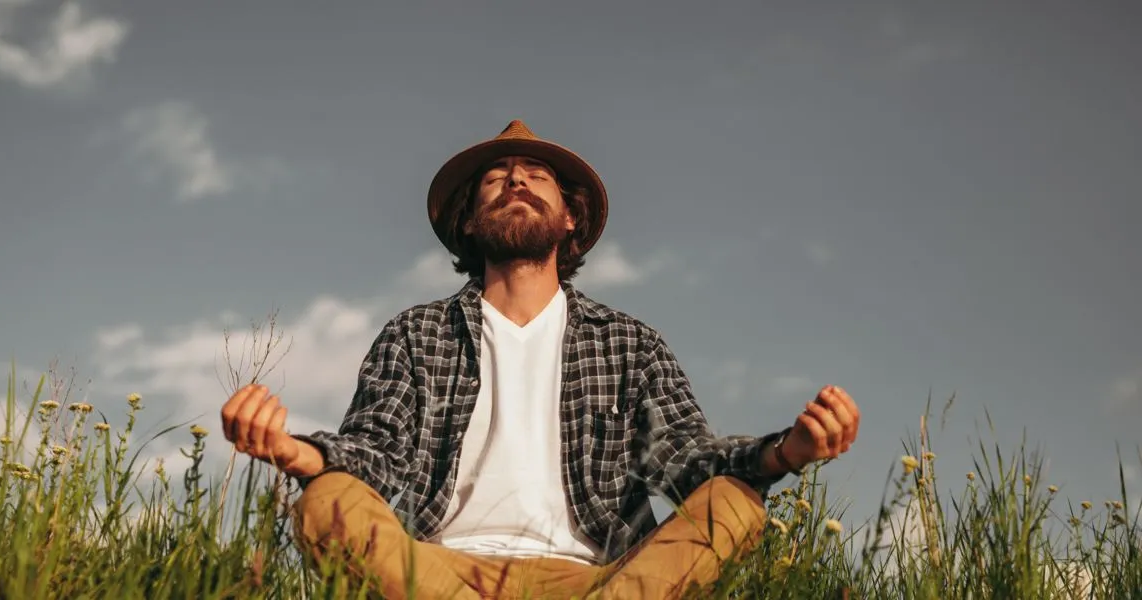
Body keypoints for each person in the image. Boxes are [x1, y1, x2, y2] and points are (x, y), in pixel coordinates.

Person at [219, 120, 861, 599]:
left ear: (569, 221)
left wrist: (789, 451)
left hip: (599, 582)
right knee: (327, 500)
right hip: (438, 575)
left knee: (734, 503)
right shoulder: (416, 334)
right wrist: (293, 451)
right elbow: (377, 457)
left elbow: (687, 464)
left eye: (536, 176)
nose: (516, 181)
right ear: (470, 222)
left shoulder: (628, 343)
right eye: (496, 179)